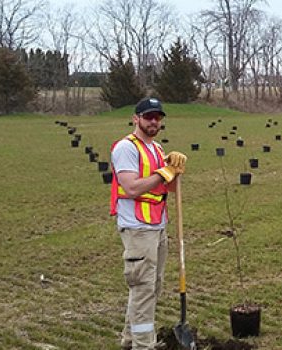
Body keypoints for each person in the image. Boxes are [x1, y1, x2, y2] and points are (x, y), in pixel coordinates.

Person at [111, 97, 187, 350]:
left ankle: (130, 339)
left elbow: (171, 188)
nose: (154, 121)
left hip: (157, 225)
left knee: (152, 286)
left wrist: (175, 170)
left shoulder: (156, 149)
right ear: (136, 118)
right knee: (143, 288)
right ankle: (144, 345)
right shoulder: (126, 148)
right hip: (137, 228)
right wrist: (160, 174)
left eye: (158, 117)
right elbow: (131, 187)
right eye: (148, 117)